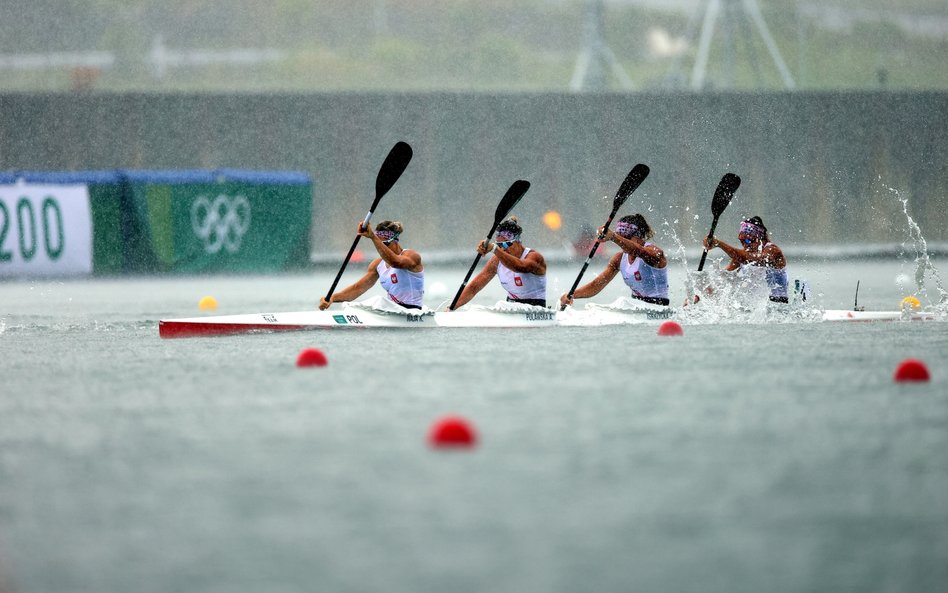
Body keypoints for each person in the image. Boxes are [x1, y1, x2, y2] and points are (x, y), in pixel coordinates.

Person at [559, 213, 669, 308]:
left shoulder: (655, 253)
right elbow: (597, 284)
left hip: (658, 309)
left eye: (625, 238)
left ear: (638, 236)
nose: (621, 244)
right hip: (636, 307)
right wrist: (571, 294)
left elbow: (639, 251)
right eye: (620, 238)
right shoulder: (619, 258)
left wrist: (613, 237)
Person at [319, 220, 425, 310]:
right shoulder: (377, 265)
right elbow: (357, 289)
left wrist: (373, 237)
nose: (382, 248)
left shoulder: (412, 256)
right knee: (352, 306)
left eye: (385, 244)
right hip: (392, 311)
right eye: (379, 244)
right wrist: (332, 298)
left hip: (412, 312)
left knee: (378, 300)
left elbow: (395, 262)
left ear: (395, 241)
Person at [451, 217, 547, 309]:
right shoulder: (496, 261)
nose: (502, 249)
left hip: (536, 310)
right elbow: (473, 287)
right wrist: (451, 308)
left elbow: (520, 267)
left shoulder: (534, 257)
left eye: (505, 244)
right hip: (511, 307)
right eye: (498, 245)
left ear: (518, 242)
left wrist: (494, 248)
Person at [700, 215, 788, 303]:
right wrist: (700, 293)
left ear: (760, 238)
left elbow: (747, 259)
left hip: (778, 307)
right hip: (755, 310)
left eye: (748, 241)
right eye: (742, 241)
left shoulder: (773, 251)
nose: (745, 245)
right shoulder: (740, 257)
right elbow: (722, 280)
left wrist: (719, 244)